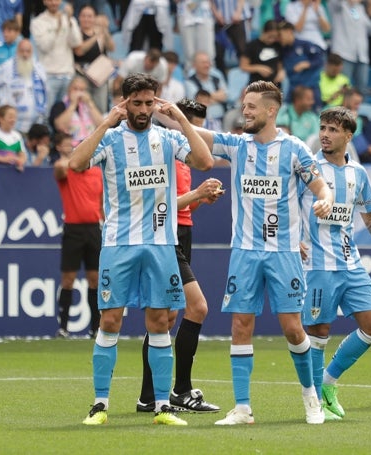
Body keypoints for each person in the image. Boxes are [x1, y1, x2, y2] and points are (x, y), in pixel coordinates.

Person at [69, 73, 214, 426]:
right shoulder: (112, 139)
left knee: (159, 321)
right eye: (137, 103)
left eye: (150, 103)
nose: (144, 109)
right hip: (119, 243)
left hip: (161, 244)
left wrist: (180, 118)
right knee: (111, 319)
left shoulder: (166, 138)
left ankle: (162, 406)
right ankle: (100, 404)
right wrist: (105, 122)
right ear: (125, 103)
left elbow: (205, 161)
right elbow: (75, 163)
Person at [192, 80, 334, 425]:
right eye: (244, 107)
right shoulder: (238, 145)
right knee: (240, 324)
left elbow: (320, 185)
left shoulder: (295, 149)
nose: (245, 112)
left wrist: (326, 200)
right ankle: (242, 408)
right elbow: (199, 138)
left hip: (283, 252)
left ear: (271, 111)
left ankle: (310, 397)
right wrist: (173, 117)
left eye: (252, 107)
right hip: (244, 251)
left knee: (292, 328)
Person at [300, 106, 371, 421]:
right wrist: (293, 240)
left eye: (332, 129)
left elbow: (370, 216)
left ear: (348, 135)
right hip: (317, 264)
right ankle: (314, 402)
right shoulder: (308, 168)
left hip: (350, 262)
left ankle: (328, 383)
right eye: (323, 128)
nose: (325, 135)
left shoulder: (357, 173)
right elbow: (284, 204)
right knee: (318, 333)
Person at [137, 98, 222, 414]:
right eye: (192, 125)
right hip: (165, 237)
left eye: (199, 127)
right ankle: (180, 390)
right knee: (197, 307)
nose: (197, 134)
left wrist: (201, 199)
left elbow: (181, 204)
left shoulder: (185, 158)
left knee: (167, 318)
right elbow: (162, 203)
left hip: (182, 233)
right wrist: (197, 194)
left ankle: (149, 396)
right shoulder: (165, 152)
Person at [53, 131, 103, 338]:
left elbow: (101, 203)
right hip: (73, 229)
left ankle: (95, 328)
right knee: (68, 279)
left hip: (93, 228)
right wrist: (69, 152)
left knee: (95, 279)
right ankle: (63, 328)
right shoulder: (68, 171)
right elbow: (59, 168)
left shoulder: (97, 172)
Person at [0, 38, 48, 135]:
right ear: (17, 51)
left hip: (34, 127)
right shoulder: (6, 67)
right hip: (11, 127)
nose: (25, 54)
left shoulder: (39, 68)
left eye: (28, 51)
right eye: (22, 51)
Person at [30, 0, 82, 112]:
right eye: (50, 0)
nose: (54, 3)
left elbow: (77, 43)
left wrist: (68, 21)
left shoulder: (69, 19)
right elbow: (45, 46)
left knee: (66, 114)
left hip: (68, 75)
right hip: (48, 75)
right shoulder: (38, 22)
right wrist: (57, 28)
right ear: (44, 2)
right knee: (45, 113)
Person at [73, 5, 115, 113]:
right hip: (81, 75)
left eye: (90, 16)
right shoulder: (75, 32)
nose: (87, 19)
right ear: (79, 17)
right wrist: (95, 36)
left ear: (94, 18)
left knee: (100, 106)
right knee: (82, 107)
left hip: (99, 76)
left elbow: (111, 47)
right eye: (84, 16)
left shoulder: (100, 33)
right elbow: (80, 50)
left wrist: (104, 30)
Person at [49, 75, 103, 147]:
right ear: (69, 90)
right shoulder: (60, 106)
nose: (78, 93)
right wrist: (73, 104)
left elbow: (102, 124)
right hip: (70, 148)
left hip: (91, 145)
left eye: (82, 90)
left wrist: (90, 104)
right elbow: (60, 126)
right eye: (75, 89)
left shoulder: (89, 106)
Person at [239, 19, 284, 86]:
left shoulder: (277, 45)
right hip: (257, 85)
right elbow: (243, 66)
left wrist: (281, 71)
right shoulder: (252, 45)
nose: (272, 40)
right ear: (263, 32)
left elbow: (279, 63)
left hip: (274, 85)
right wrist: (258, 68)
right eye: (270, 36)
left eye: (274, 37)